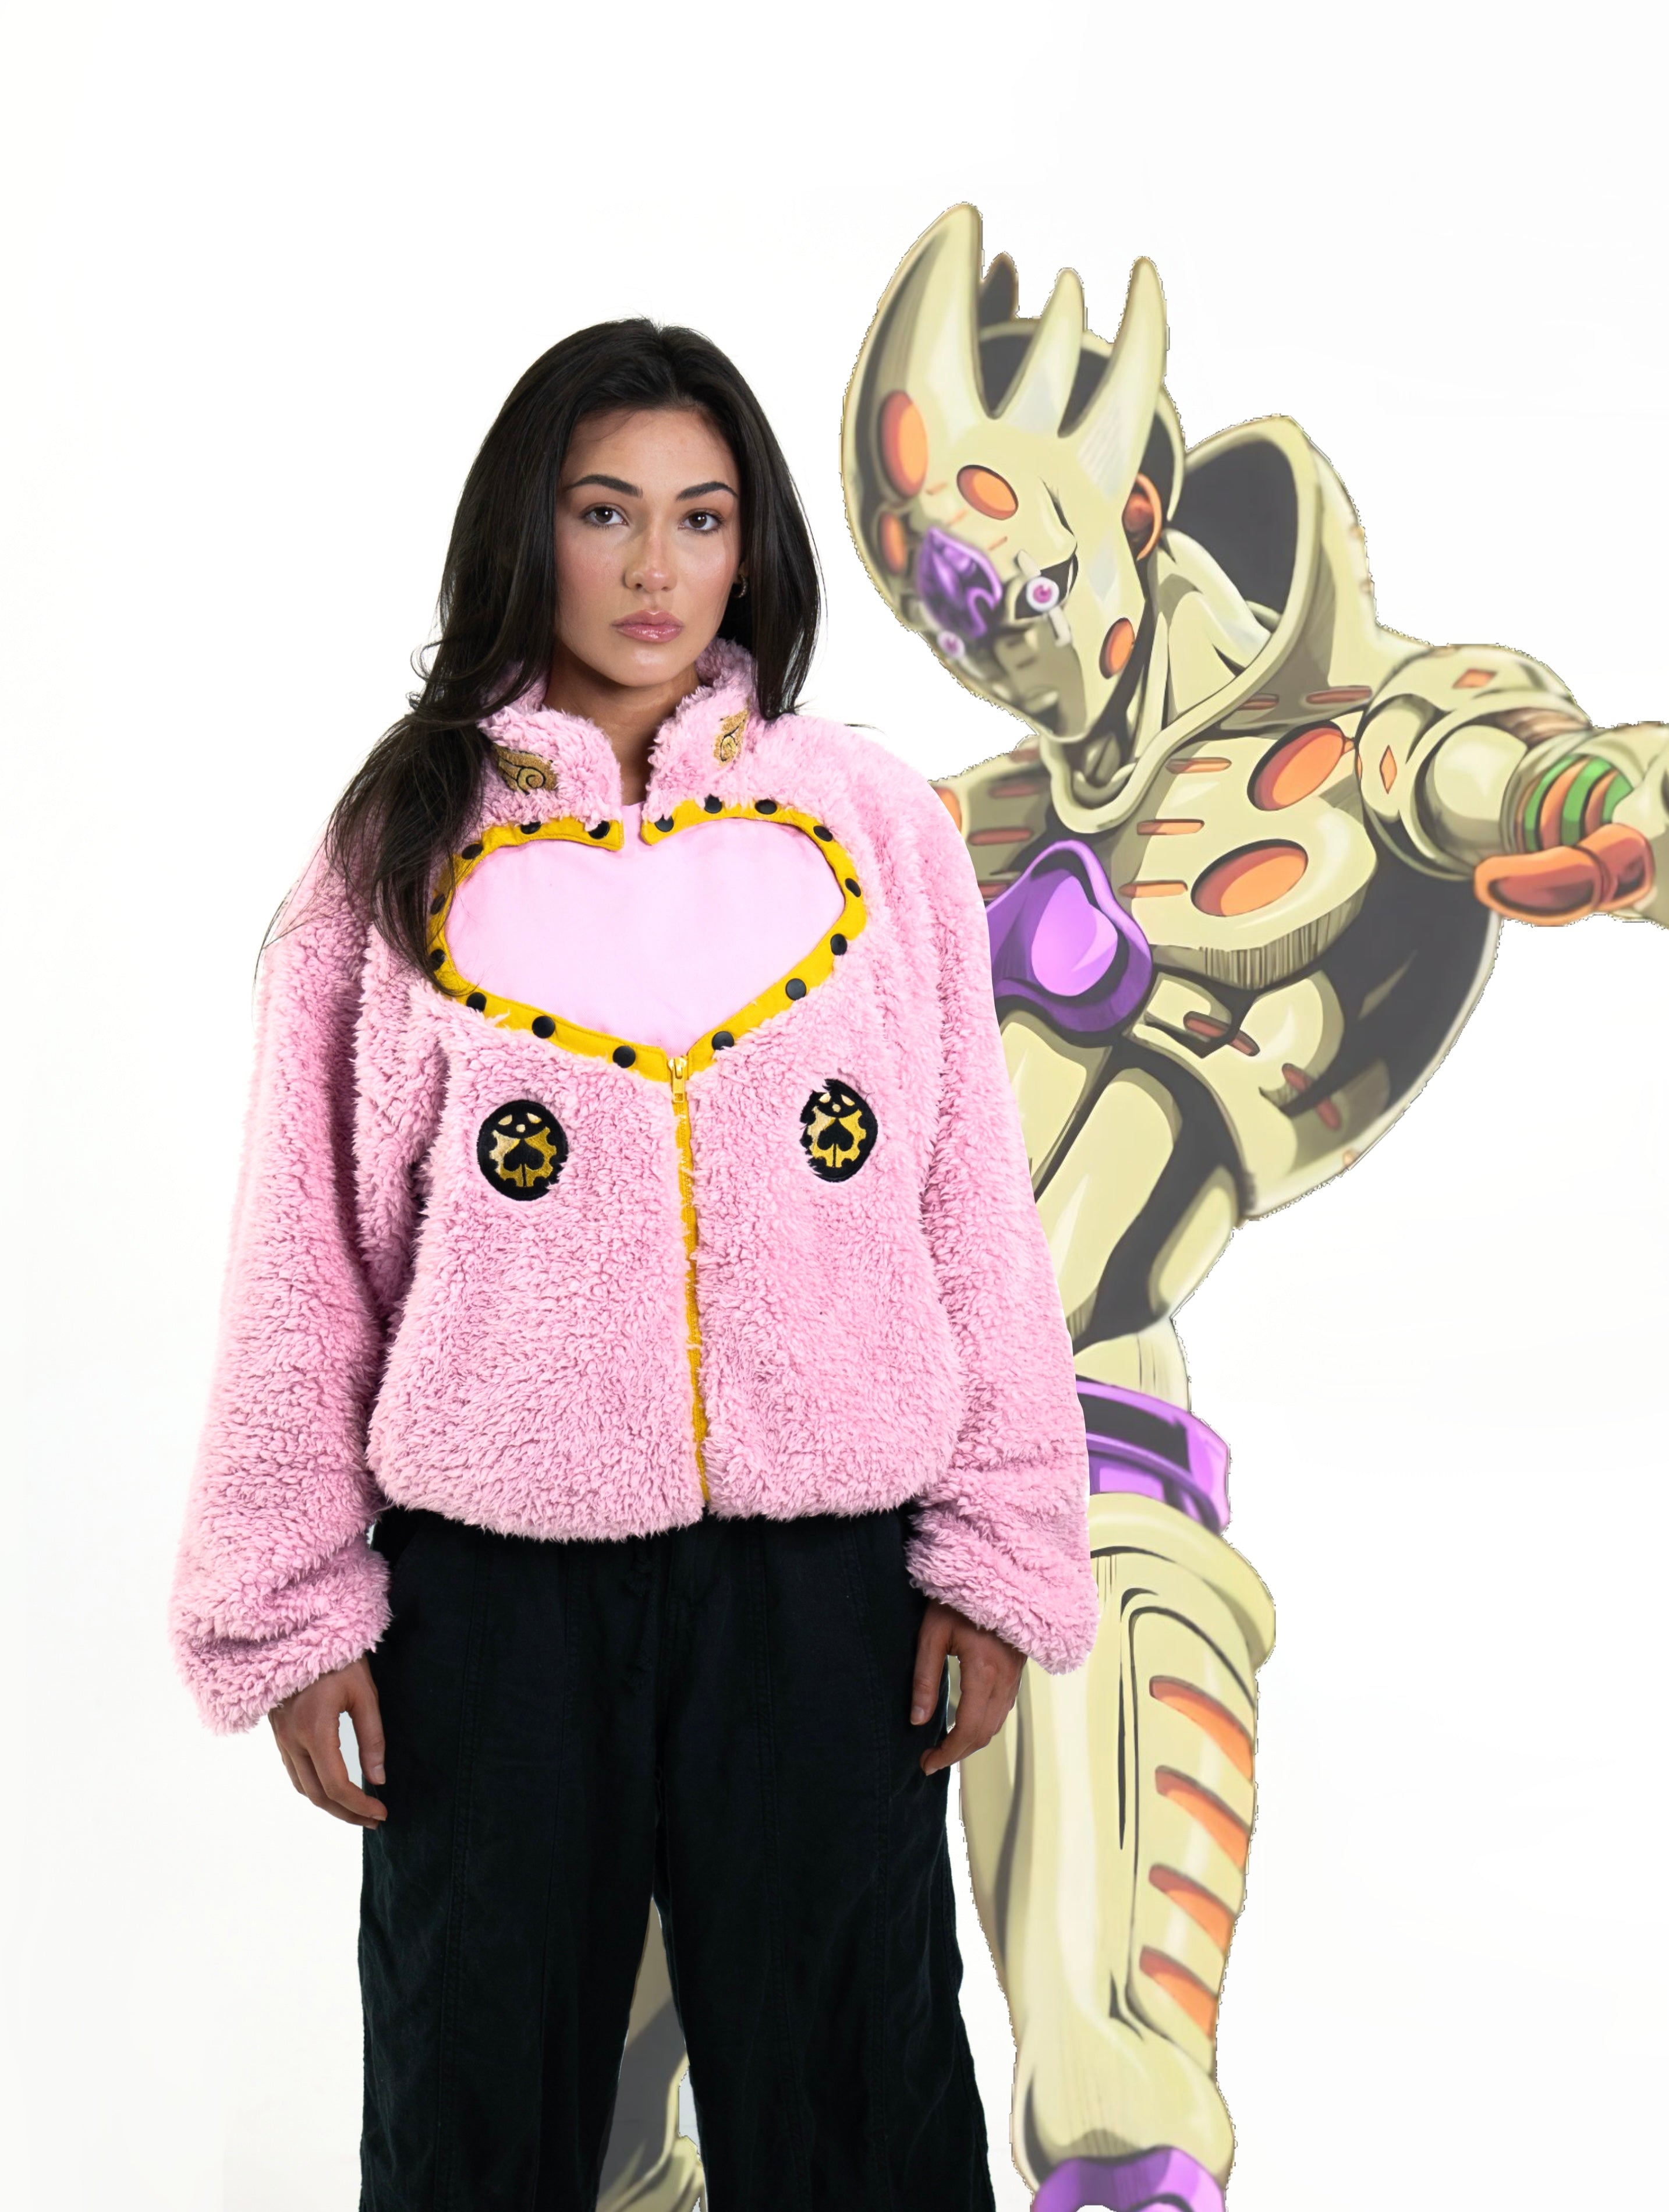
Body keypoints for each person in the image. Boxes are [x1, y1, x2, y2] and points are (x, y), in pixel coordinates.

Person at [168, 317, 1100, 2210]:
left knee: (857, 2093)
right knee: (475, 2090)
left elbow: (966, 1207)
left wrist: (998, 1553)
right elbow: (306, 1250)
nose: (656, 567)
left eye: (701, 516)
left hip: (820, 1579)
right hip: (493, 1589)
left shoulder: (871, 824)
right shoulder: (405, 840)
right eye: (604, 514)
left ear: (753, 545)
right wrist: (293, 1605)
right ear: (529, 530)